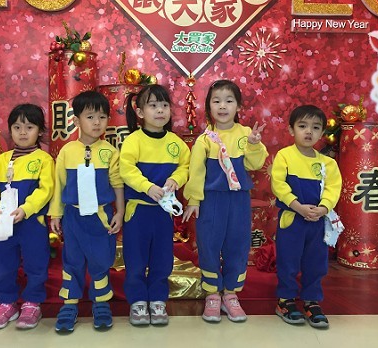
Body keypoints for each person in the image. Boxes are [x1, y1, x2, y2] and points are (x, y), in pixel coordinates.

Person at [182, 80, 267, 323]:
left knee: (238, 244)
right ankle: (212, 294)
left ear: (238, 106)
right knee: (208, 244)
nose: (222, 106)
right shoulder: (205, 139)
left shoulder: (246, 134)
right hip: (211, 200)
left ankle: (230, 294)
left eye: (229, 101)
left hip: (238, 201)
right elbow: (196, 172)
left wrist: (254, 145)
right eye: (216, 101)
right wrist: (194, 200)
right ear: (208, 106)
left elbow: (255, 164)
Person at [49, 90, 125, 333]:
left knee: (100, 261)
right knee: (72, 260)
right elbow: (59, 184)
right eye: (90, 117)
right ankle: (69, 305)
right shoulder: (67, 151)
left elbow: (117, 184)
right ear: (76, 120)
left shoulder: (110, 152)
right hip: (73, 217)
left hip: (101, 217)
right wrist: (56, 214)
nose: (96, 122)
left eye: (102, 117)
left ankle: (101, 303)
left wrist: (119, 213)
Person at [119, 84, 190, 326]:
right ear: (140, 112)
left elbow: (186, 167)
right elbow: (126, 169)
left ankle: (158, 300)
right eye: (153, 105)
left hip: (163, 213)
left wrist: (176, 179)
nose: (160, 110)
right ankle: (138, 301)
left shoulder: (176, 143)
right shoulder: (133, 141)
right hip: (137, 211)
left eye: (164, 105)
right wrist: (147, 187)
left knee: (162, 258)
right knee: (135, 258)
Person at [0, 103, 55, 330]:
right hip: (3, 223)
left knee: (36, 263)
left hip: (32, 223)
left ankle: (32, 303)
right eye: (17, 127)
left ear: (40, 131)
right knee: (4, 263)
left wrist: (26, 209)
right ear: (10, 130)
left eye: (29, 127)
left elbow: (46, 190)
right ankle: (6, 303)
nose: (23, 132)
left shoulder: (44, 159)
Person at [270, 104, 342, 329]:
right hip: (292, 220)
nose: (309, 131)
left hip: (317, 222)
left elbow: (333, 188)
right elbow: (278, 184)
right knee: (288, 261)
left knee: (316, 263)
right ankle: (286, 300)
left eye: (315, 127)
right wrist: (298, 206)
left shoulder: (327, 163)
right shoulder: (285, 156)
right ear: (291, 129)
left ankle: (311, 301)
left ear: (322, 133)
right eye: (302, 126)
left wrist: (323, 208)